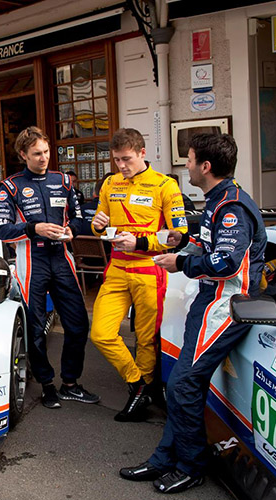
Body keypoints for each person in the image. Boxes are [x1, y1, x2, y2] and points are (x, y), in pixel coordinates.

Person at [121, 133, 266, 493]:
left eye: (187, 159)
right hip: (207, 301)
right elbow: (208, 245)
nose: (184, 165)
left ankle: (190, 465)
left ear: (205, 166)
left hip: (226, 305)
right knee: (183, 383)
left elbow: (226, 262)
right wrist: (181, 242)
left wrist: (181, 262)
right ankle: (164, 459)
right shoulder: (217, 201)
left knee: (184, 384)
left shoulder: (232, 207)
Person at [0, 126, 99, 409]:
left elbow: (79, 220)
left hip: (62, 258)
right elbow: (2, 230)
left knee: (78, 325)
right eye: (37, 154)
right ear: (23, 155)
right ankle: (47, 384)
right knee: (36, 327)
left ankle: (70, 383)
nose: (43, 158)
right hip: (33, 262)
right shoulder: (11, 186)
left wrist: (71, 232)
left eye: (46, 152)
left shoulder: (64, 180)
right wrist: (34, 228)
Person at [89, 128, 188, 422]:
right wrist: (97, 225)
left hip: (149, 268)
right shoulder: (110, 183)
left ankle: (139, 398)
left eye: (127, 159)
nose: (121, 166)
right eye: (117, 160)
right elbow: (100, 225)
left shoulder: (165, 186)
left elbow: (179, 236)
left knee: (145, 340)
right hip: (117, 268)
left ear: (142, 153)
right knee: (101, 333)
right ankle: (139, 386)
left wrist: (141, 243)